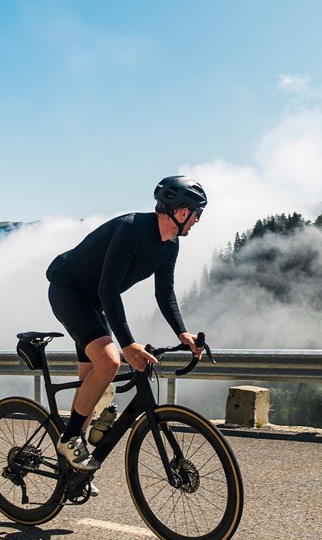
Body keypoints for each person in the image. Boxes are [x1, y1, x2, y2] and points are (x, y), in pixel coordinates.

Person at [46, 175, 207, 482]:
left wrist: (182, 332)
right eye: (197, 214)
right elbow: (108, 288)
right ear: (182, 211)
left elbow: (165, 293)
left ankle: (70, 475)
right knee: (109, 362)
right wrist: (128, 344)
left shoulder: (170, 246)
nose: (197, 220)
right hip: (69, 292)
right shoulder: (132, 228)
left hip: (94, 303)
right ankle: (69, 441)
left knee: (91, 385)